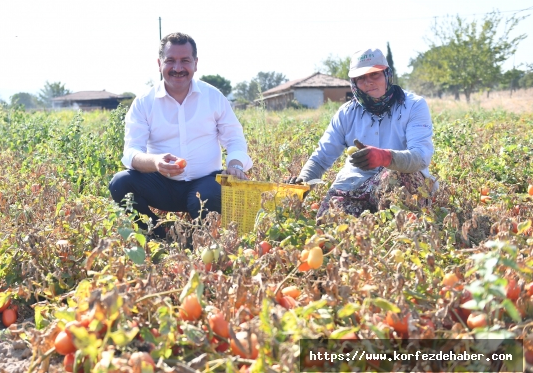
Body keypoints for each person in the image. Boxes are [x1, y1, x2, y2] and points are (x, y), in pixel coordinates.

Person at [109, 32, 252, 238]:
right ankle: (159, 233)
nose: (177, 68)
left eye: (185, 60)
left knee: (207, 197)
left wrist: (235, 164)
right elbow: (131, 152)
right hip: (160, 184)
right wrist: (156, 162)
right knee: (120, 183)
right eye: (170, 61)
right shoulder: (144, 102)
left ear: (195, 63)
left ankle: (199, 240)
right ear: (159, 64)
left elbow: (234, 137)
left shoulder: (213, 97)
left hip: (205, 182)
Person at [287, 48, 436, 221]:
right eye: (361, 78)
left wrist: (385, 157)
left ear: (387, 75)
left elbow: (421, 156)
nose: (368, 82)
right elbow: (321, 159)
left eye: (375, 75)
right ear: (354, 82)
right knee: (329, 229)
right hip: (353, 185)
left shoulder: (413, 106)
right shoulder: (346, 113)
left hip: (398, 182)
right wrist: (302, 185)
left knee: (396, 176)